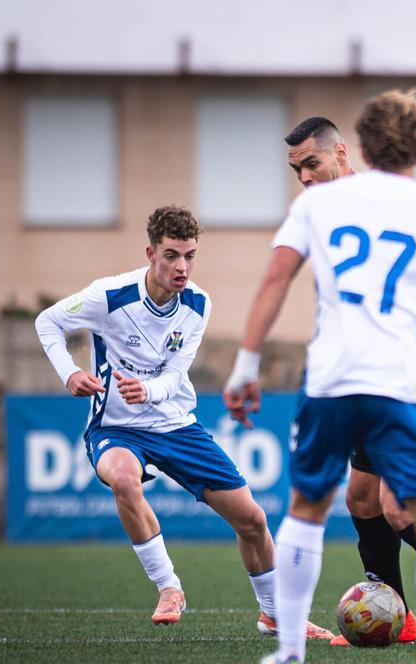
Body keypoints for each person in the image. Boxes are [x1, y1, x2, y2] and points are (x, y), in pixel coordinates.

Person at [225, 90, 416, 664]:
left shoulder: (316, 206)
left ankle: (289, 655)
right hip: (402, 382)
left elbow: (273, 281)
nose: (304, 176)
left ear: (359, 149)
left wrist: (246, 365)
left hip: (331, 379)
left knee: (306, 510)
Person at [34, 205, 333, 641]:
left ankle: (275, 615)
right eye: (171, 255)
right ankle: (169, 588)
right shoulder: (109, 296)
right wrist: (70, 374)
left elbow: (176, 374)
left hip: (175, 425)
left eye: (190, 256)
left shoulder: (197, 303)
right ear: (151, 253)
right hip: (116, 428)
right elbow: (47, 322)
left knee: (252, 520)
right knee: (123, 478)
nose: (182, 267)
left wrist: (148, 390)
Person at [282, 117, 416, 649]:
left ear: (341, 153)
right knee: (361, 497)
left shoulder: (381, 196)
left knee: (399, 502)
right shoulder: (323, 211)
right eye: (296, 171)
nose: (305, 178)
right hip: (374, 369)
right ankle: (398, 616)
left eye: (312, 164)